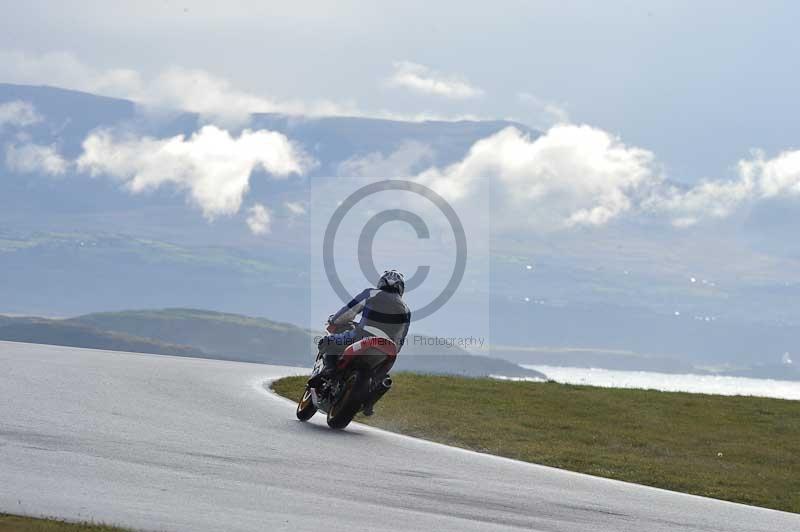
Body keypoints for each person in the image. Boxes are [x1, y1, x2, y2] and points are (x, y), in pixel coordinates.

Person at [310, 270, 411, 387]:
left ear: (382, 282)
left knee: (326, 341)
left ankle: (329, 371)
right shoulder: (406, 310)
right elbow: (399, 342)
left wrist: (333, 321)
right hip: (386, 351)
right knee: (379, 381)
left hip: (360, 337)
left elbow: (347, 313)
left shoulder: (372, 293)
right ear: (401, 288)